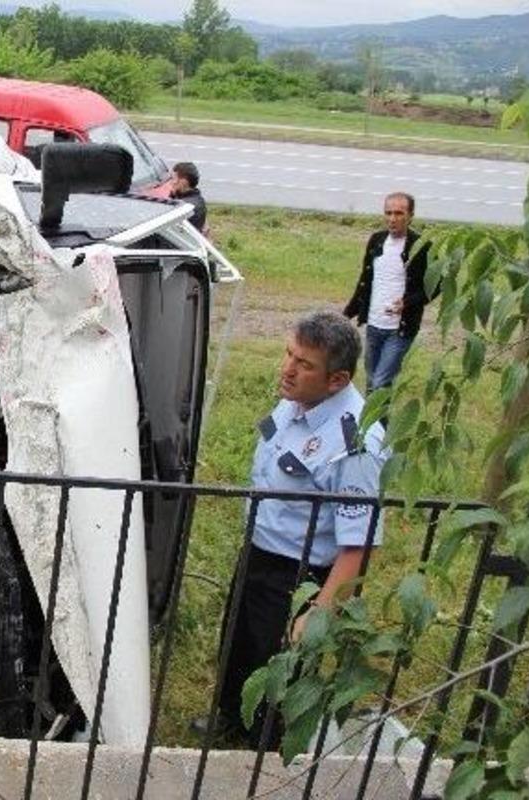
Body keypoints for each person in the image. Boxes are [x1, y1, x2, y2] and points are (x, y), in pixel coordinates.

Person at [195, 311, 386, 745]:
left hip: (298, 576)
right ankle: (231, 718)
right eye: (288, 354)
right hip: (260, 552)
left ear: (336, 380)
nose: (288, 369)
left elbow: (358, 544)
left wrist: (321, 610)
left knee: (277, 669)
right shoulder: (298, 399)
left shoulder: (355, 443)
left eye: (304, 364)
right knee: (240, 645)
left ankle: (261, 749)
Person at [343, 192, 432, 391]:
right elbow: (365, 282)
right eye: (388, 213)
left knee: (380, 382)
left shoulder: (421, 246)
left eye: (399, 213)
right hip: (374, 325)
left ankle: (373, 422)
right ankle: (375, 423)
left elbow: (435, 286)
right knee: (371, 381)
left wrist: (407, 302)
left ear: (410, 216)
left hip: (399, 330)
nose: (392, 219)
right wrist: (346, 314)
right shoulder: (376, 240)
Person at [170, 161, 207, 232]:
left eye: (174, 178)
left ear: (184, 181)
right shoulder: (199, 199)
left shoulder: (183, 207)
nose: (172, 182)